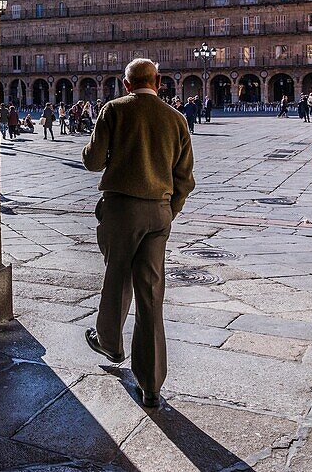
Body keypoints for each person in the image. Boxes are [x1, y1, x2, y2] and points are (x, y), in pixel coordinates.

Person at [81, 59, 195, 408]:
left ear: (126, 84)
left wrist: (93, 145)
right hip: (159, 213)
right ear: (158, 81)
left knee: (117, 277)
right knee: (150, 294)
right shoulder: (176, 119)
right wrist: (168, 211)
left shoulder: (113, 110)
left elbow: (93, 160)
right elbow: (185, 178)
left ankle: (111, 344)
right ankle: (151, 384)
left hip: (121, 210)